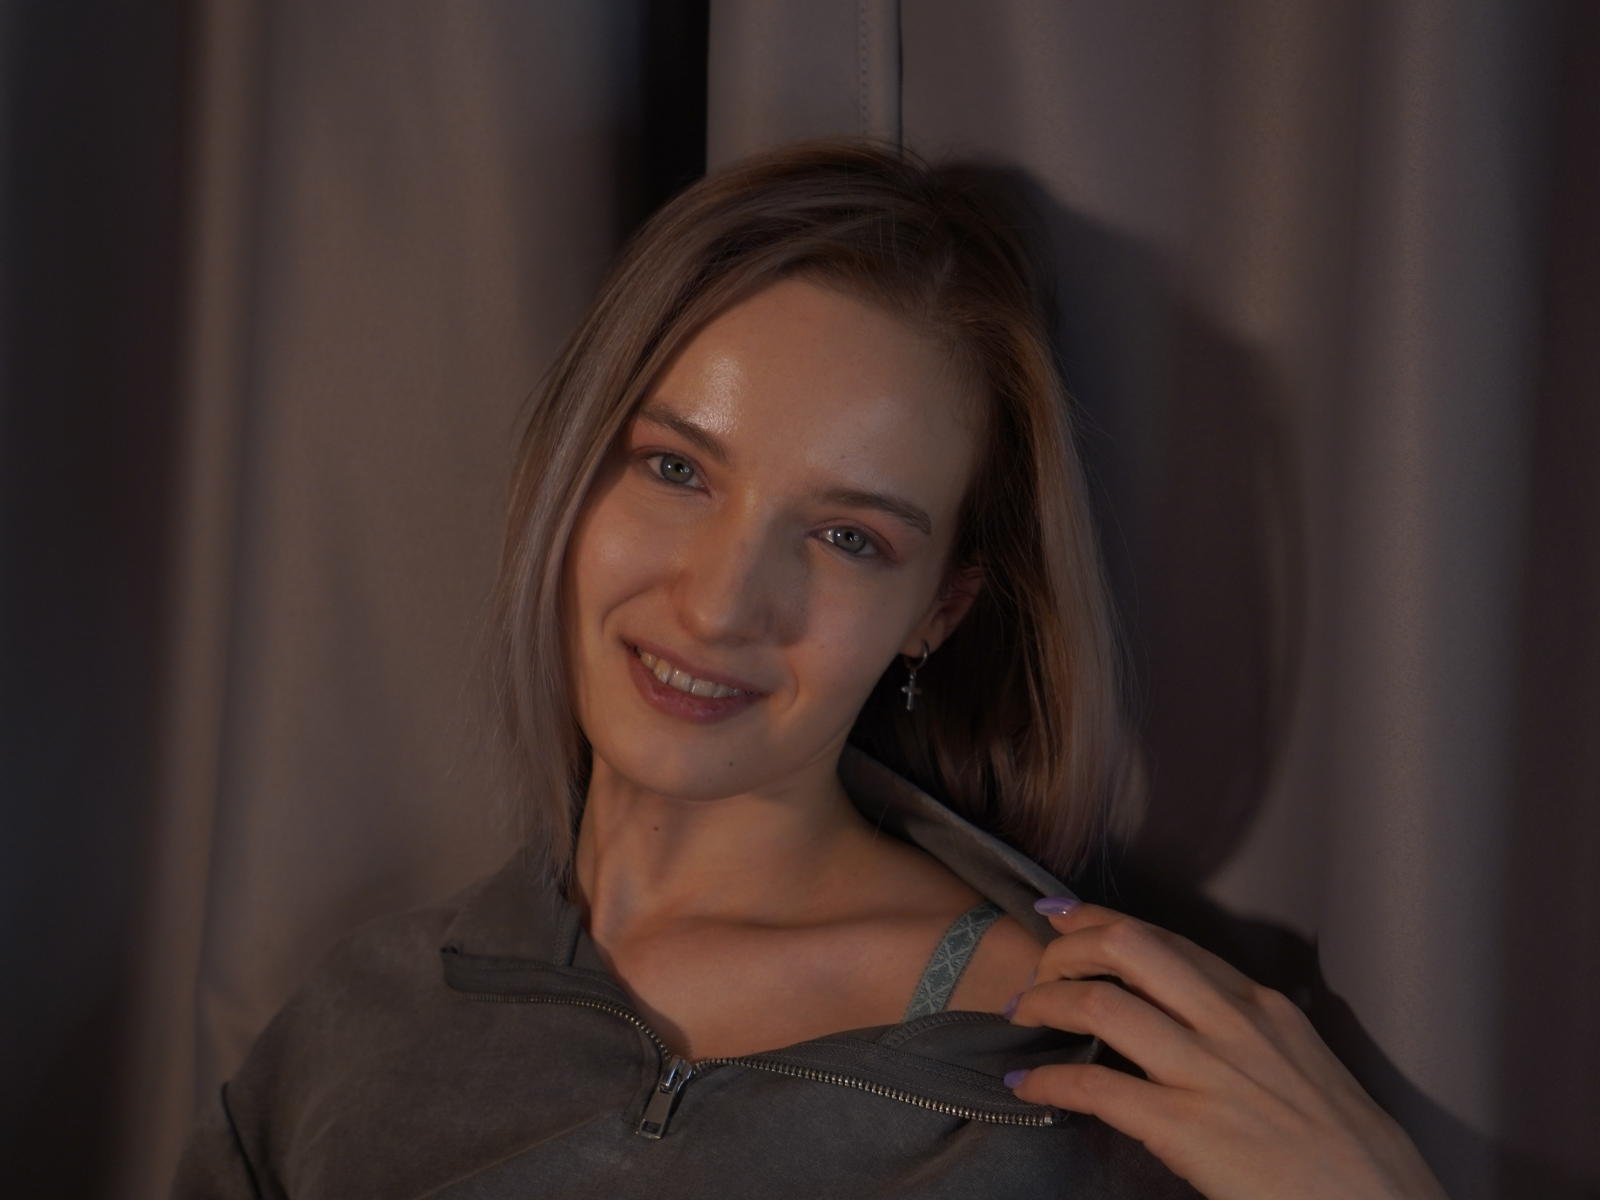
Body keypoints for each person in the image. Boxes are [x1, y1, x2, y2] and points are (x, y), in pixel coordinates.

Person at [172, 138, 1447, 1199]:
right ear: (570, 471)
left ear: (936, 611)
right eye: (675, 468)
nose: (720, 603)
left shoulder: (1094, 1081)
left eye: (847, 538)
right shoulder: (355, 1029)